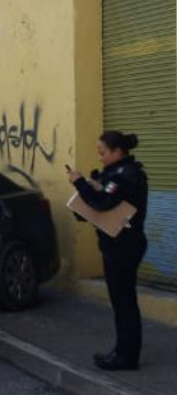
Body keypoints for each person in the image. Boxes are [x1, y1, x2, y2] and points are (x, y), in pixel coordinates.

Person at [67, 131, 148, 371]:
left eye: (103, 153)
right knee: (121, 301)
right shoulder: (118, 173)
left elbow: (102, 202)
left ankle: (126, 357)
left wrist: (80, 183)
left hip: (124, 246)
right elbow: (103, 198)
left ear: (117, 152)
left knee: (124, 303)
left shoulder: (126, 175)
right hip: (117, 244)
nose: (100, 157)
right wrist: (93, 184)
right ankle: (122, 351)